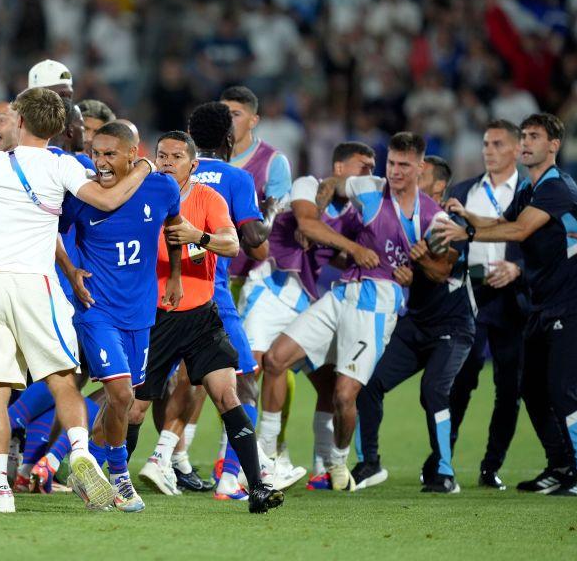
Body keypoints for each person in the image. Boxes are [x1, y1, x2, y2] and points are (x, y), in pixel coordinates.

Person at [0, 87, 153, 513]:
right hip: (36, 284)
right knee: (63, 379)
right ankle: (80, 454)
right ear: (59, 128)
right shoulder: (61, 164)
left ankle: (0, 493)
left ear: (21, 121)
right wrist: (144, 167)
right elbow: (108, 198)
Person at [262, 132, 442, 491]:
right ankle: (266, 455)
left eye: (404, 165)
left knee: (344, 395)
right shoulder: (370, 188)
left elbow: (442, 271)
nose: (394, 171)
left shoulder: (432, 216)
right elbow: (333, 182)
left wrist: (416, 271)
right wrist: (322, 201)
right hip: (342, 292)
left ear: (420, 168)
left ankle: (338, 462)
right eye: (391, 162)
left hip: (377, 305)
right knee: (275, 359)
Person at [435, 113, 577, 497]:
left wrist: (468, 232)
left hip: (569, 303)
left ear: (553, 146)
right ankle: (559, 466)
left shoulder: (556, 187)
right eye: (523, 136)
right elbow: (505, 220)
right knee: (532, 389)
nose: (525, 143)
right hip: (542, 305)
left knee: (562, 390)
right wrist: (470, 219)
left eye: (534, 137)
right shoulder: (532, 189)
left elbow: (520, 231)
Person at [127, 131, 284, 514]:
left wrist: (199, 235)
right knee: (134, 410)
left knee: (228, 397)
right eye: (161, 155)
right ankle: (117, 479)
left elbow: (232, 244)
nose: (166, 162)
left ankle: (258, 488)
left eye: (176, 157)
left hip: (202, 319)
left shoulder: (207, 199)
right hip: (156, 319)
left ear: (192, 165)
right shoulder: (140, 197)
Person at [56, 121, 183, 512]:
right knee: (122, 393)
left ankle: (82, 470)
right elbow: (49, 232)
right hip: (97, 310)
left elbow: (175, 228)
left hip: (141, 312)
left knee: (123, 404)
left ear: (133, 152)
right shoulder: (82, 196)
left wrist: (175, 275)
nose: (101, 162)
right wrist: (71, 268)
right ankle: (120, 479)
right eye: (96, 153)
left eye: (110, 154)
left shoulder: (162, 188)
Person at [241, 142, 376, 489]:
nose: (369, 175)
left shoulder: (357, 213)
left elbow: (337, 252)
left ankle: (321, 464)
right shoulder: (308, 184)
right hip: (271, 287)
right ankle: (244, 463)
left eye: (373, 169)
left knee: (328, 383)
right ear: (340, 168)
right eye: (363, 167)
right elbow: (308, 223)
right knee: (249, 373)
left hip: (305, 299)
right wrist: (352, 247)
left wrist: (351, 251)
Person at [183, 101, 285, 499]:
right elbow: (254, 239)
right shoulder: (235, 177)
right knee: (243, 384)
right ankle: (231, 476)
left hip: (159, 295)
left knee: (129, 388)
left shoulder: (170, 174)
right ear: (229, 138)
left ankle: (62, 460)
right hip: (212, 298)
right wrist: (270, 213)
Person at [355, 155, 472, 493]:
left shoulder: (447, 225)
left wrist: (419, 263)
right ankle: (369, 463)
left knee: (433, 389)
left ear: (438, 187)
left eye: (420, 179)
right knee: (368, 382)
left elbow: (441, 272)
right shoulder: (401, 220)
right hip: (416, 324)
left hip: (452, 327)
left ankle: (444, 473)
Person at [445, 120, 526, 490]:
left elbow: (546, 247)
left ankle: (491, 467)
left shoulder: (530, 193)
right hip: (471, 297)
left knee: (509, 389)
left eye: (496, 144)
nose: (488, 150)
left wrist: (517, 267)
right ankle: (442, 462)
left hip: (514, 302)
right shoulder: (464, 193)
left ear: (515, 150)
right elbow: (448, 246)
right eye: (485, 144)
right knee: (460, 382)